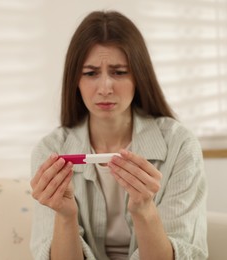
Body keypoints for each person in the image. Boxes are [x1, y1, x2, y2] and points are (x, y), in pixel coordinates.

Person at [29, 10, 208, 260]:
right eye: (91, 73)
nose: (105, 88)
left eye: (119, 72)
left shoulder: (180, 146)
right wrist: (65, 215)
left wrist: (145, 209)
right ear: (75, 80)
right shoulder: (51, 151)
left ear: (139, 76)